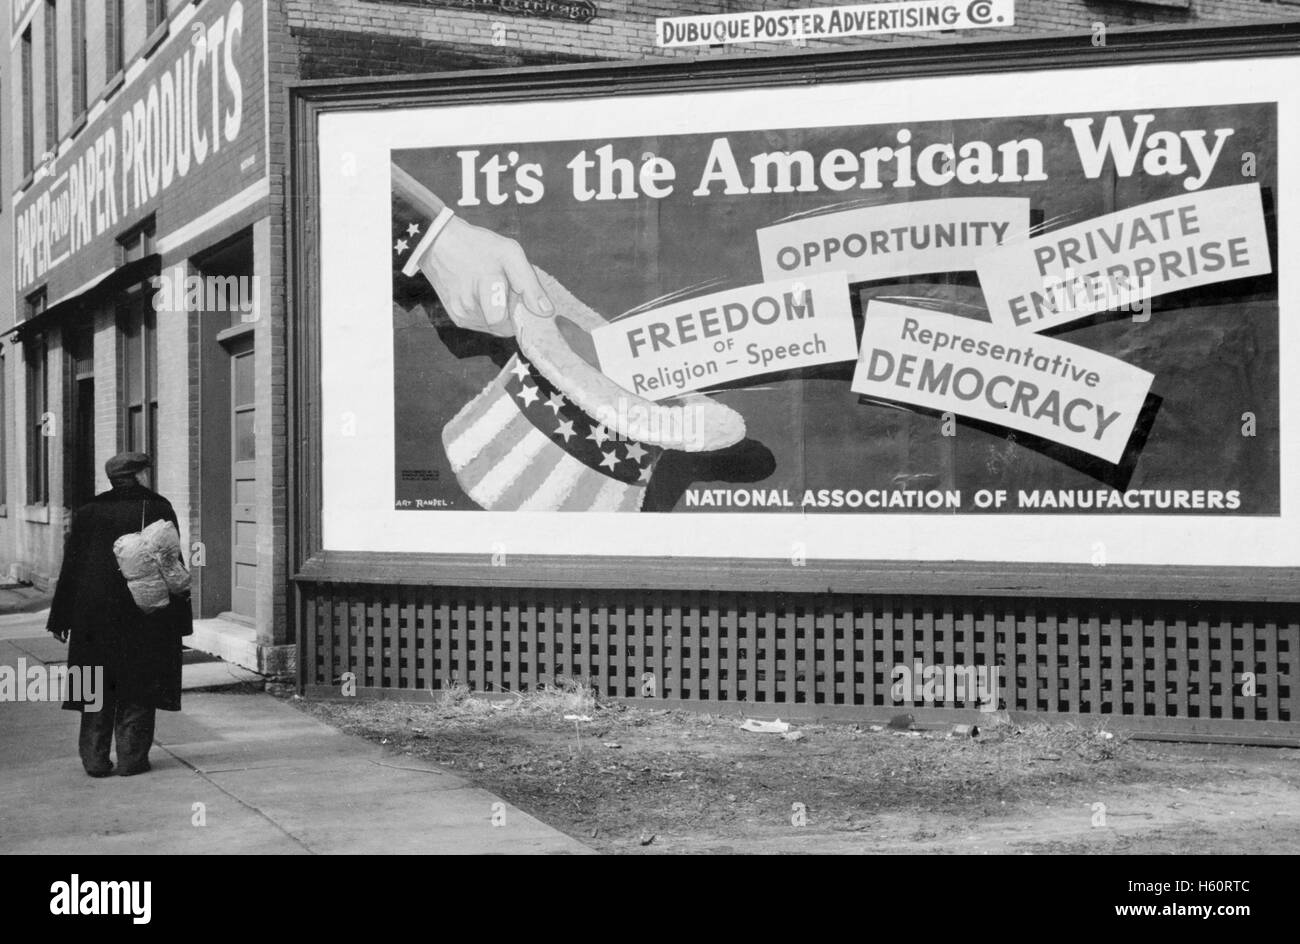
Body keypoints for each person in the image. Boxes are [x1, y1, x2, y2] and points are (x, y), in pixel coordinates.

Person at [47, 452, 193, 777]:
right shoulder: (158, 508)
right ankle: (132, 758)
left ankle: (95, 760)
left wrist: (60, 619)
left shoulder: (88, 512)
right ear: (139, 475)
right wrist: (182, 622)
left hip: (93, 617)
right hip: (145, 615)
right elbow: (173, 566)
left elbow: (70, 568)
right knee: (138, 685)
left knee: (95, 685)